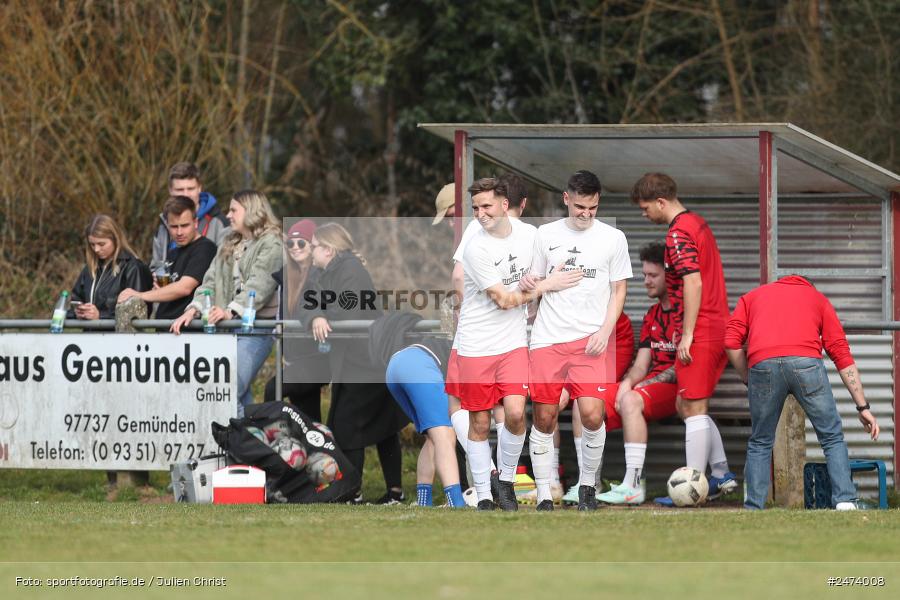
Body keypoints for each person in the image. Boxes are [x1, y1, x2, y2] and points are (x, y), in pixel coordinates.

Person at [454, 177, 580, 511]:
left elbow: (539, 273)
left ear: (504, 205)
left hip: (512, 344)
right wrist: (544, 285)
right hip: (476, 344)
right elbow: (505, 300)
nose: (480, 214)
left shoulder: (530, 236)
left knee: (514, 414)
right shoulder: (475, 247)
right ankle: (483, 493)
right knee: (480, 423)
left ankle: (506, 482)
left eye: (486, 207)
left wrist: (537, 278)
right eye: (476, 208)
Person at [521, 170, 632, 511]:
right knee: (544, 416)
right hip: (548, 339)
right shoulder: (545, 235)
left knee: (593, 415)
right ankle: (543, 493)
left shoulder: (613, 238)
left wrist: (604, 331)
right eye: (580, 207)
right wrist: (530, 283)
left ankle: (587, 486)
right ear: (566, 199)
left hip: (592, 341)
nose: (586, 214)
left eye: (593, 208)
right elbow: (534, 283)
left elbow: (619, 289)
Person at [724, 275, 879, 510]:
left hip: (762, 365)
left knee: (760, 441)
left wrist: (749, 377)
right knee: (831, 436)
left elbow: (731, 341)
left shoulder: (751, 297)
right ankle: (845, 501)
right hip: (806, 364)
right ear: (807, 286)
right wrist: (863, 407)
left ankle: (754, 507)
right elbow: (841, 353)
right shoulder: (817, 299)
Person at [631, 172, 737, 506]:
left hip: (702, 330)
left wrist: (687, 333)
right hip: (715, 325)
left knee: (692, 406)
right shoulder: (698, 223)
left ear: (661, 202)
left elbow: (693, 282)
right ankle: (721, 475)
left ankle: (693, 488)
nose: (645, 215)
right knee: (685, 404)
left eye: (646, 208)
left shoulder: (678, 233)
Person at [304, 223, 410, 505]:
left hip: (368, 360)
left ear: (328, 249)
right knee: (373, 425)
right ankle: (377, 491)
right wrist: (315, 316)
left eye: (313, 246)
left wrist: (324, 315)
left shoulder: (352, 270)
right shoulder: (320, 271)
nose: (309, 251)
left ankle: (360, 491)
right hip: (350, 359)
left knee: (353, 425)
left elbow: (349, 309)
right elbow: (307, 300)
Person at [435, 174, 529, 493]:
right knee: (505, 409)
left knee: (460, 406)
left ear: (504, 204)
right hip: (512, 337)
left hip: (476, 336)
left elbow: (458, 275)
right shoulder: (524, 232)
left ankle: (491, 476)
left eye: (450, 217)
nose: (452, 224)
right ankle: (508, 480)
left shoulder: (478, 231)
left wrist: (463, 315)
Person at [170, 190, 282, 418]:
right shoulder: (228, 242)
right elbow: (209, 281)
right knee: (235, 396)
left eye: (233, 210)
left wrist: (230, 311)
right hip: (225, 331)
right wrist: (192, 309)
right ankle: (245, 444)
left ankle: (244, 450)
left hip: (255, 331)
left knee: (226, 392)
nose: (228, 215)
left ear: (251, 211)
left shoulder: (273, 244)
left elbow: (259, 285)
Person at [596, 241, 678, 505]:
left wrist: (633, 389)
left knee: (631, 399)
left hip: (678, 390)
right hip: (647, 389)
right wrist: (627, 383)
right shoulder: (652, 315)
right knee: (589, 399)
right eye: (644, 275)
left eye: (653, 275)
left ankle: (632, 484)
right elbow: (641, 365)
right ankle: (589, 484)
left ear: (670, 276)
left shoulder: (685, 314)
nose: (646, 281)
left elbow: (681, 369)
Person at [370, 312, 466, 508]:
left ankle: (424, 500)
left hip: (395, 367)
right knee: (445, 434)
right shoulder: (472, 355)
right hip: (418, 364)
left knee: (432, 437)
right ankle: (456, 502)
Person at [556, 311, 635, 505]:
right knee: (548, 399)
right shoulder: (564, 313)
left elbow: (605, 370)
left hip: (609, 360)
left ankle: (589, 483)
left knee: (583, 401)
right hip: (578, 360)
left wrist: (566, 386)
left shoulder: (616, 320)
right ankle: (550, 483)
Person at [262, 219, 330, 422]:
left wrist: (318, 316)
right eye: (290, 243)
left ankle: (269, 436)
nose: (295, 248)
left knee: (273, 388)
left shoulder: (321, 274)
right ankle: (315, 450)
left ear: (313, 246)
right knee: (308, 419)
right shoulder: (285, 276)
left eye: (301, 243)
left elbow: (318, 306)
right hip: (294, 358)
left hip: (318, 357)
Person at [118, 196, 216, 319]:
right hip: (165, 326)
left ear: (196, 223)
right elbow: (170, 290)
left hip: (188, 330)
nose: (179, 232)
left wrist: (140, 295)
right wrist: (159, 289)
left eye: (185, 225)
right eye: (174, 227)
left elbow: (184, 288)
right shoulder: (173, 252)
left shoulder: (205, 248)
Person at [68, 214, 151, 320]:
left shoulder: (133, 268)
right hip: (89, 335)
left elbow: (138, 311)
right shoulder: (90, 268)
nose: (96, 249)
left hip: (119, 336)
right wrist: (78, 312)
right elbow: (75, 300)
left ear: (115, 239)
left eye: (101, 244)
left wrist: (100, 316)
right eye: (92, 245)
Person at [150, 162, 229, 271]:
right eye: (180, 190)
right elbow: (156, 266)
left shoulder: (219, 223)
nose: (186, 194)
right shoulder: (163, 225)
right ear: (170, 190)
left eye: (190, 189)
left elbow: (225, 267)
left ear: (199, 188)